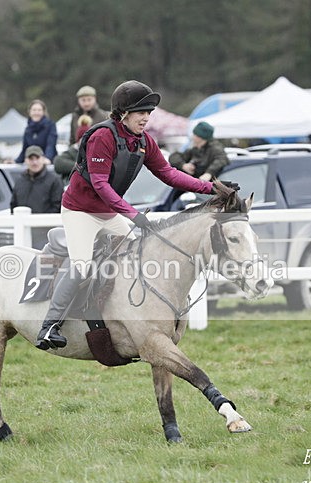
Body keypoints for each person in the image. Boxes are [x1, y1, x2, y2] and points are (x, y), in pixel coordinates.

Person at [35, 80, 222, 350]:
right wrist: (133, 214)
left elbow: (169, 174)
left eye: (149, 112)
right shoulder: (102, 137)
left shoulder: (144, 141)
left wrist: (210, 187)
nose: (146, 118)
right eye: (141, 112)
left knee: (136, 254)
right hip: (80, 211)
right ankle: (50, 325)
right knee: (82, 266)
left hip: (107, 211)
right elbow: (100, 185)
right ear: (123, 113)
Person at [164, 121, 229, 210]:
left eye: (195, 135)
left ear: (200, 137)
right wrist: (184, 166)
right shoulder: (195, 149)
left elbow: (222, 159)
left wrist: (209, 173)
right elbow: (174, 157)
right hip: (194, 193)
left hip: (210, 195)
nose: (193, 137)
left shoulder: (215, 149)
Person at [11, 145, 63, 249]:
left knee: (45, 264)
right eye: (31, 159)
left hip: (47, 236)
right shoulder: (20, 181)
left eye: (37, 158)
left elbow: (58, 206)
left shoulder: (54, 180)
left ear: (43, 159)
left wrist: (41, 224)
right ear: (26, 160)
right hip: (23, 233)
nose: (34, 162)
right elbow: (13, 205)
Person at [15, 99, 57, 164]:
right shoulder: (28, 129)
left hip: (48, 163)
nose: (36, 113)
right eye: (34, 110)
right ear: (30, 112)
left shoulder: (50, 126)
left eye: (39, 110)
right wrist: (15, 162)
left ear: (43, 112)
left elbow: (50, 145)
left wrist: (47, 159)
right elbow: (24, 150)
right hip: (33, 163)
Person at [53, 114, 93, 181]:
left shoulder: (94, 152)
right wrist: (80, 167)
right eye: (83, 139)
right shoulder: (72, 151)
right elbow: (58, 163)